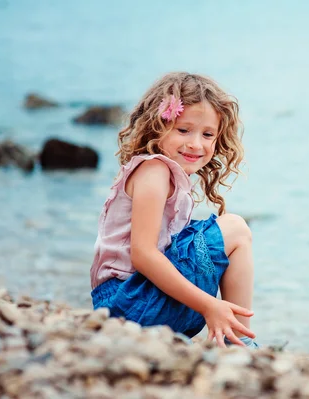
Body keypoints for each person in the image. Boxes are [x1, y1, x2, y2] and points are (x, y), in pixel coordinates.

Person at [89, 72, 257, 348]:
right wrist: (208, 305)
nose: (195, 144)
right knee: (235, 229)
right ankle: (240, 343)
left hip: (135, 303)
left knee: (214, 232)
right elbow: (142, 254)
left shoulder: (167, 175)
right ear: (158, 127)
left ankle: (236, 339)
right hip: (126, 305)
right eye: (183, 130)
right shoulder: (154, 171)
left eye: (207, 134)